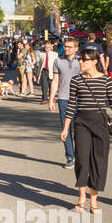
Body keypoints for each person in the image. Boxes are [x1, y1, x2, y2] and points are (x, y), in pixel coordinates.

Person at [59, 46, 112, 213]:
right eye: (80, 59)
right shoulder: (77, 80)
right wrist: (66, 128)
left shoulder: (106, 80)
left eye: (83, 59)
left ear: (94, 62)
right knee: (82, 160)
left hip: (100, 123)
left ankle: (94, 200)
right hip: (81, 123)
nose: (80, 62)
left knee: (99, 161)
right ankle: (81, 198)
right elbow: (71, 105)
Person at [47, 38, 81, 168]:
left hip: (80, 99)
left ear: (76, 48)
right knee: (66, 129)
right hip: (64, 98)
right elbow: (55, 81)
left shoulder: (82, 61)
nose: (67, 49)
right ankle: (70, 157)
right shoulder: (58, 61)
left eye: (70, 47)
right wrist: (51, 99)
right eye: (66, 47)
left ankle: (80, 155)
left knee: (80, 130)